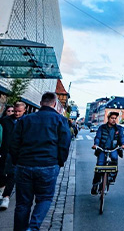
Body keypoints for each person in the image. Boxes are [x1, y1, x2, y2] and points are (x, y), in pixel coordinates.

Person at [9, 93, 70, 231]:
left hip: (24, 165)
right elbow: (64, 144)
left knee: (22, 203)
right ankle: (33, 227)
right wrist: (59, 162)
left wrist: (17, 161)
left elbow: (14, 143)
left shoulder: (25, 119)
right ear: (54, 104)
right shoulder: (60, 120)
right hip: (48, 165)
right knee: (45, 199)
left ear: (41, 103)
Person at [91, 112, 124, 195]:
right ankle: (95, 184)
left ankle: (111, 178)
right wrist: (96, 145)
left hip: (113, 149)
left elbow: (122, 137)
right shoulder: (102, 128)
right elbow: (98, 137)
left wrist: (123, 144)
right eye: (112, 118)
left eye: (115, 118)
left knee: (114, 159)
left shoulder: (119, 129)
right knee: (99, 165)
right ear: (108, 118)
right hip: (102, 149)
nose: (114, 120)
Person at [0, 102, 26, 211]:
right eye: (15, 111)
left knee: (12, 174)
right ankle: (2, 189)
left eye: (19, 111)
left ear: (24, 110)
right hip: (4, 151)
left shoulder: (27, 121)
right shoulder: (5, 121)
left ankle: (6, 197)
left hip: (18, 153)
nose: (16, 113)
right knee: (1, 172)